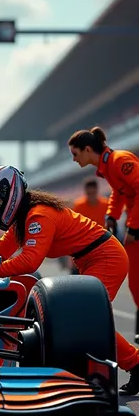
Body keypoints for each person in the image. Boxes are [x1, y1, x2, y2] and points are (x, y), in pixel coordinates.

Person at [0, 164, 139, 394]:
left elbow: (30, 261)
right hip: (92, 258)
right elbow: (1, 248)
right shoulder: (25, 216)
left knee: (87, 320)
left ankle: (135, 363)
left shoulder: (38, 215)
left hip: (107, 257)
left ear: (8, 194)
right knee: (84, 320)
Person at [68, 126, 139, 343]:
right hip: (133, 223)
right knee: (135, 282)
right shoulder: (108, 168)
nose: (74, 159)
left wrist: (134, 227)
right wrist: (111, 216)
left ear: (88, 149)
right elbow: (119, 193)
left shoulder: (119, 161)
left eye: (75, 154)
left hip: (136, 225)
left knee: (136, 281)